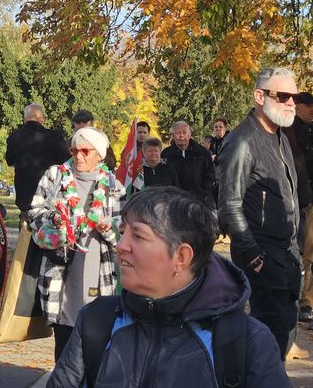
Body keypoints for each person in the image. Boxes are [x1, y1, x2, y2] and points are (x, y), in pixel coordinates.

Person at [46, 187, 290, 388]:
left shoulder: (245, 342)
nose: (120, 246)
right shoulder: (97, 321)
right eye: (122, 232)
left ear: (181, 257)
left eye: (138, 236)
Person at [218, 67, 301, 359]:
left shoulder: (280, 136)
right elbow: (229, 206)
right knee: (267, 341)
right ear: (259, 96)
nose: (291, 103)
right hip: (263, 257)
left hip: (288, 254)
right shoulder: (241, 142)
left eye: (294, 96)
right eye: (283, 96)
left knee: (286, 332)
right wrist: (254, 256)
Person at [28, 126, 125, 361]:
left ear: (99, 155)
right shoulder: (55, 175)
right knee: (64, 344)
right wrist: (53, 218)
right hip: (61, 271)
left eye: (85, 151)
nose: (78, 156)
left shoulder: (113, 185)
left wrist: (108, 228)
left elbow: (123, 229)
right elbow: (34, 213)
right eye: (74, 150)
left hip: (98, 271)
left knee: (95, 344)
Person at [5, 103, 70, 213]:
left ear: (25, 120)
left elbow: (9, 161)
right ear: (42, 119)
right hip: (48, 189)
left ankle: (24, 221)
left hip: (24, 189)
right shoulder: (53, 137)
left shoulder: (14, 137)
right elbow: (66, 161)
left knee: (26, 216)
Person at [162, 120, 216, 209]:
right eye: (178, 133)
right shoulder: (166, 154)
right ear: (173, 136)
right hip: (173, 202)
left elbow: (210, 174)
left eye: (184, 132)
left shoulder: (202, 153)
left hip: (198, 201)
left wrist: (204, 193)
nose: (181, 136)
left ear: (190, 134)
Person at [293, 91, 313, 324]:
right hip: (294, 197)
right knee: (301, 252)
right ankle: (301, 300)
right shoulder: (287, 130)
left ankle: (307, 301)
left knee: (310, 252)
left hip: (309, 197)